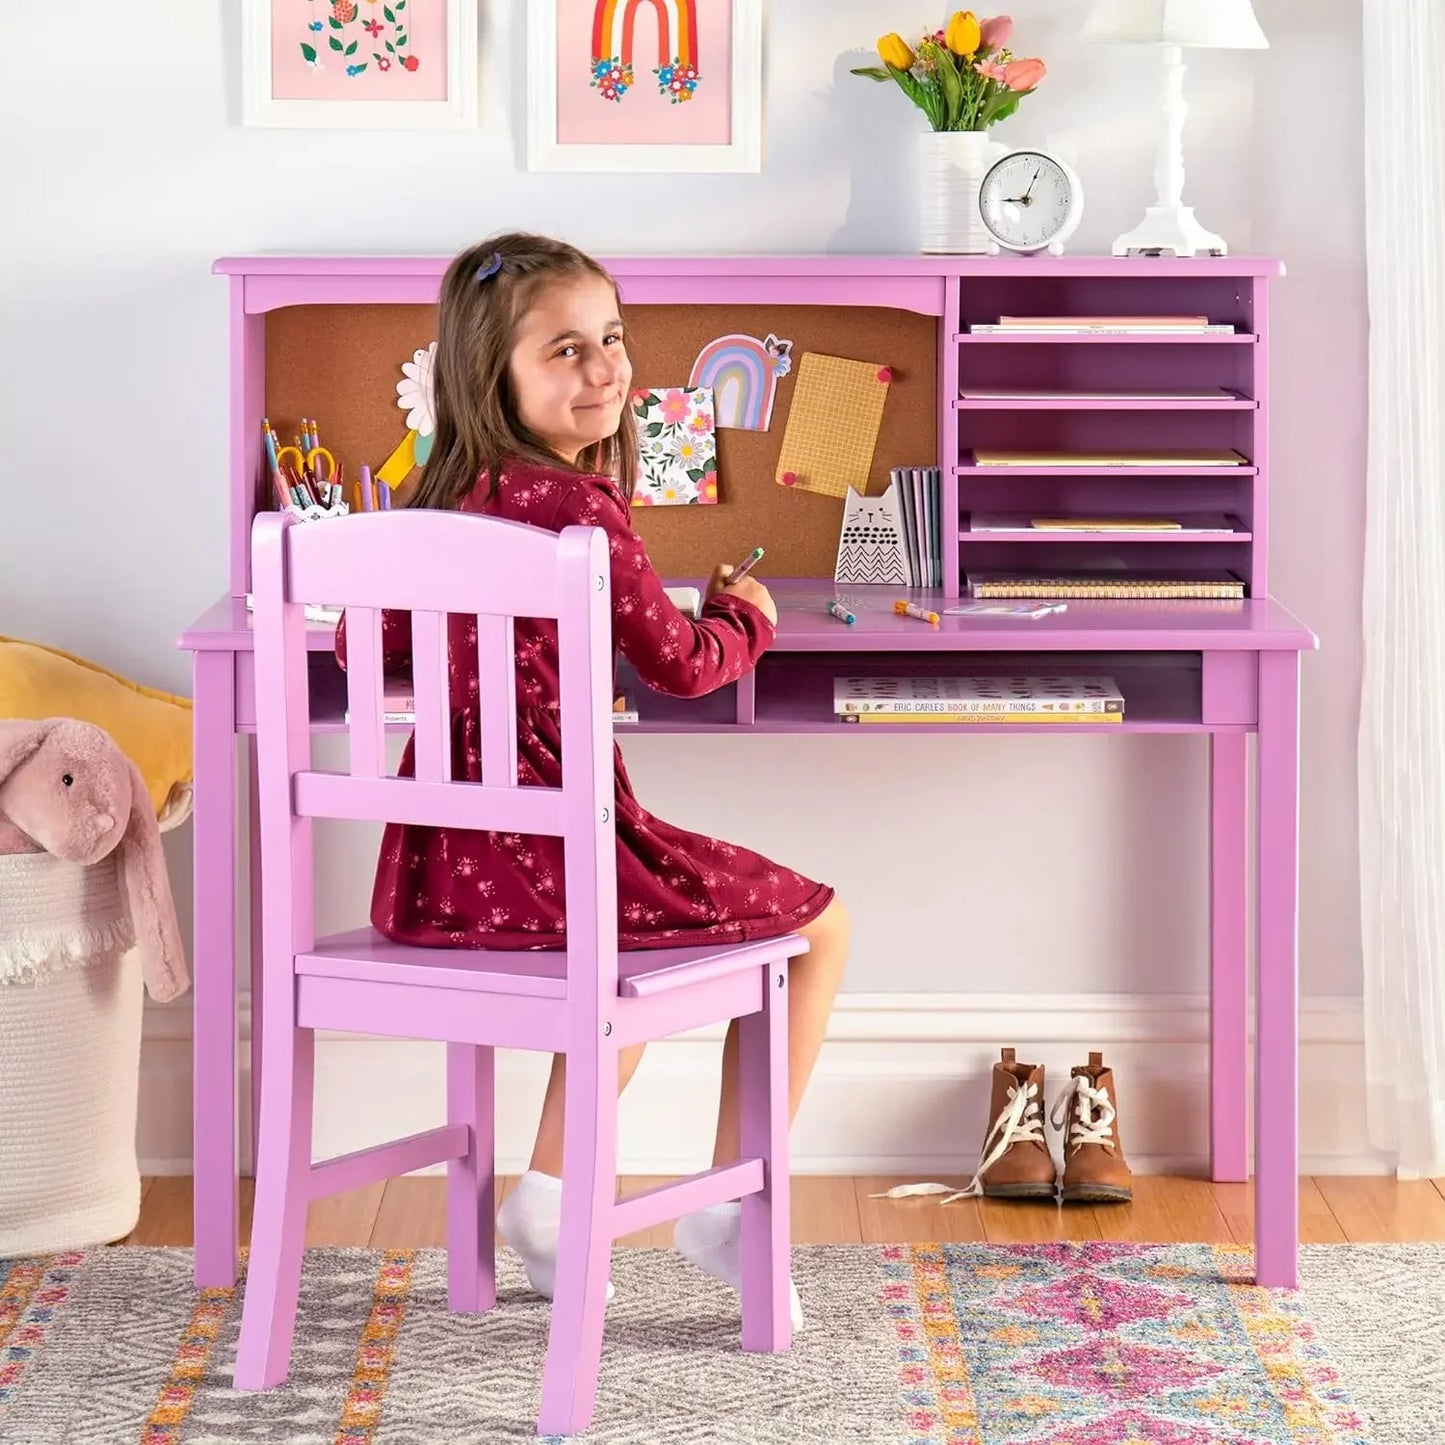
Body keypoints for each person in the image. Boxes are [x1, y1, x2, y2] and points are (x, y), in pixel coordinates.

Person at [336, 232, 849, 1328]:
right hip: (559, 873)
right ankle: (726, 1212)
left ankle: (550, 1196)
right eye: (565, 350)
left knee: (646, 942)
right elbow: (685, 665)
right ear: (495, 378)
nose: (605, 368)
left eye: (609, 338)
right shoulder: (580, 514)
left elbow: (358, 651)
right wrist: (742, 616)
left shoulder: (433, 507)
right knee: (817, 924)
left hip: (441, 876)